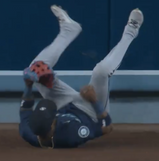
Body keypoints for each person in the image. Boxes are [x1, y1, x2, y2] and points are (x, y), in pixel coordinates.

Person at [19, 5, 143, 148]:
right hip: (91, 111)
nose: (50, 108)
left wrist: (28, 86)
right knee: (101, 72)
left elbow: (25, 109)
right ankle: (130, 32)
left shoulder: (28, 130)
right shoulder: (71, 135)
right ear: (52, 127)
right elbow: (106, 127)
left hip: (65, 103)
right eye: (52, 114)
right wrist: (94, 101)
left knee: (36, 69)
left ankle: (69, 30)